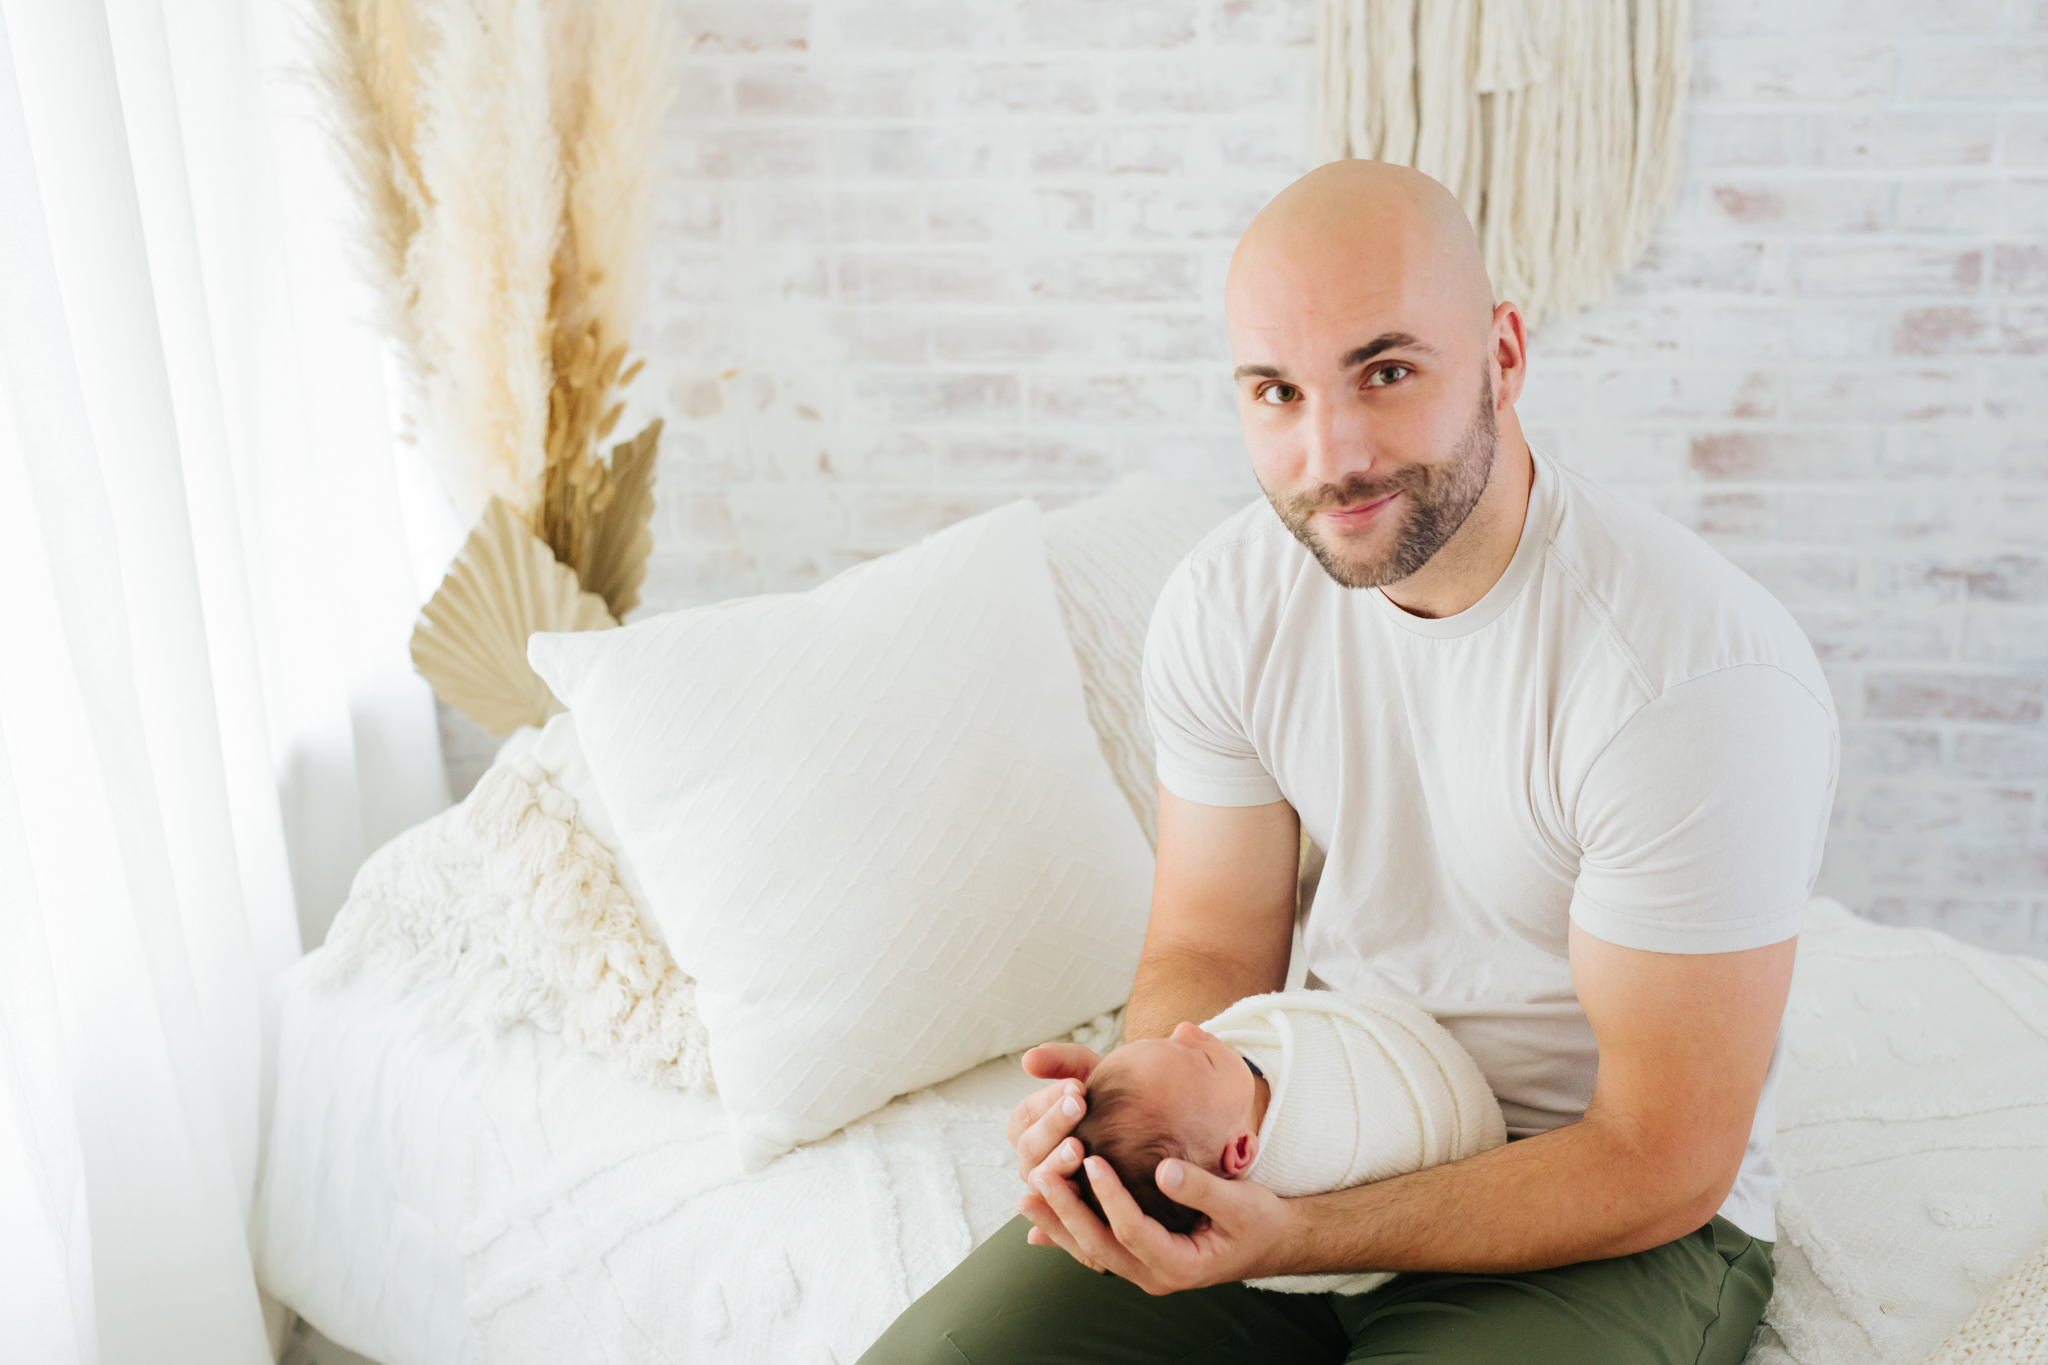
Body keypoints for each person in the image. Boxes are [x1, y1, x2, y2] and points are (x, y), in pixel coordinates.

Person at [860, 158, 1837, 1364]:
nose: (1332, 455)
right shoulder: (1225, 604)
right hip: (1297, 1129)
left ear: (1503, 354)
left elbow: (1659, 1158)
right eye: (1276, 392)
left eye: (1384, 372)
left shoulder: (1692, 680)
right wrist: (1151, 1118)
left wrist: (1292, 1232)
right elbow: (1209, 947)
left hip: (1597, 1213)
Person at [1072, 991, 1507, 1301]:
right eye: (1201, 1058)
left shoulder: (1223, 1106)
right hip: (1460, 1157)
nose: (1190, 1028)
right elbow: (1197, 941)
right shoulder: (1325, 1140)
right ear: (1240, 1151)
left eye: (1170, 1039)